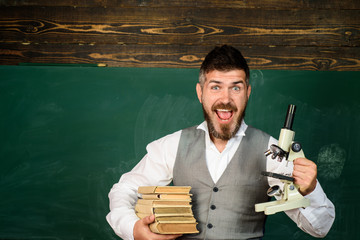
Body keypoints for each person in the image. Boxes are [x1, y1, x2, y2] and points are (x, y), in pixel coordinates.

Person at [106, 45, 335, 240]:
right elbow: (124, 190)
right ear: (200, 92)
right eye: (215, 87)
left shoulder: (273, 152)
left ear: (247, 93)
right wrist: (133, 229)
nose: (225, 99)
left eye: (236, 87)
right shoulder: (173, 145)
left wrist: (311, 190)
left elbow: (321, 228)